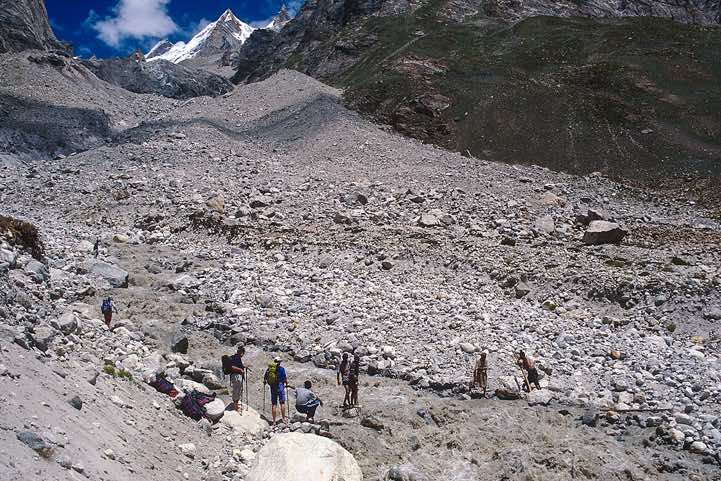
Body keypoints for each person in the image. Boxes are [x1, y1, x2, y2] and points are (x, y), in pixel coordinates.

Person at [264, 356, 288, 426]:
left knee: (274, 404)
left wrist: (265, 382)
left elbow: (265, 378)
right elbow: (285, 377)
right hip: (280, 386)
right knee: (282, 403)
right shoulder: (282, 369)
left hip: (272, 387)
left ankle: (274, 421)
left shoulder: (269, 369)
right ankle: (283, 419)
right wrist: (286, 383)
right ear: (280, 362)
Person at [228, 346, 246, 412]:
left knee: (238, 390)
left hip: (236, 376)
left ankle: (236, 404)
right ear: (241, 352)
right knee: (236, 390)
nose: (243, 355)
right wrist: (240, 369)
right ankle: (235, 406)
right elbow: (232, 366)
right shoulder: (236, 357)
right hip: (236, 376)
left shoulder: (236, 357)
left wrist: (243, 366)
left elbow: (236, 365)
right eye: (243, 353)